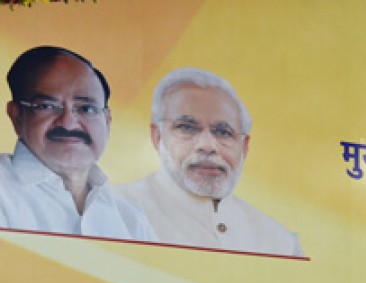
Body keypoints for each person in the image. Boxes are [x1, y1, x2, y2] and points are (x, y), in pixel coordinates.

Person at [115, 67, 303, 257]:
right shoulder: (116, 212)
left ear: (244, 147)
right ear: (157, 136)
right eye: (187, 128)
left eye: (223, 132)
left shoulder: (278, 241)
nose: (207, 145)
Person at [0, 46, 156, 240]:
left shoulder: (131, 221)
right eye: (47, 106)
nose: (68, 123)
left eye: (87, 109)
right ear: (16, 115)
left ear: (107, 120)